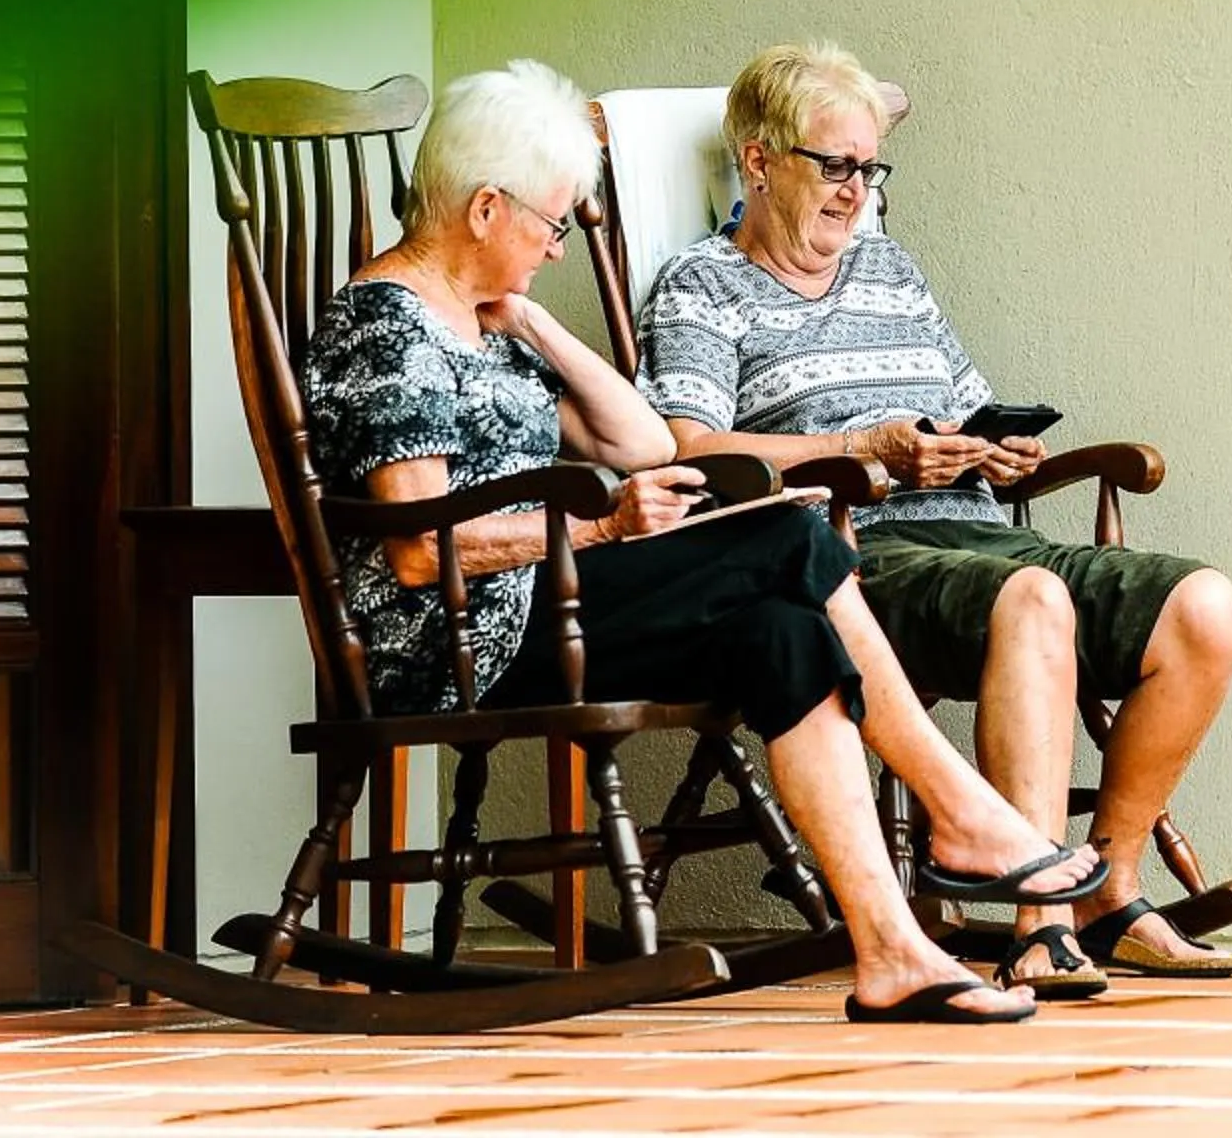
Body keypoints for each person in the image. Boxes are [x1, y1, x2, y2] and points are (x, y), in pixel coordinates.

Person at [299, 57, 1095, 1026]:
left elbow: (639, 440)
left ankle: (890, 950)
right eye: (551, 225)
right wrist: (600, 526)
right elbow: (421, 555)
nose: (556, 248)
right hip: (457, 646)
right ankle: (962, 811)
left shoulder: (489, 321)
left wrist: (540, 328)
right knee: (786, 536)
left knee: (784, 635)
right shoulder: (387, 329)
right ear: (484, 211)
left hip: (545, 606)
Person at [637, 43, 1232, 999]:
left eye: (869, 169)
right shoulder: (702, 285)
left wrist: (995, 450)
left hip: (980, 531)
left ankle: (1109, 889)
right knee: (1035, 596)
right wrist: (873, 450)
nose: (854, 191)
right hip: (852, 556)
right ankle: (1040, 925)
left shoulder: (891, 269)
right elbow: (689, 448)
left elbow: (962, 403)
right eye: (832, 165)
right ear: (757, 162)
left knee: (1205, 607)